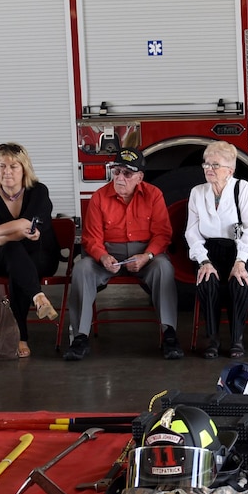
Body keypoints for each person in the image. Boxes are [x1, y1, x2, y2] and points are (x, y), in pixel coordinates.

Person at [64, 147, 181, 362]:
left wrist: (147, 256)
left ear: (139, 177)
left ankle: (169, 335)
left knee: (164, 267)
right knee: (81, 268)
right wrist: (102, 257)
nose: (120, 178)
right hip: (109, 253)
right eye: (116, 171)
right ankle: (80, 337)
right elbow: (91, 237)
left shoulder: (154, 195)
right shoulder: (99, 197)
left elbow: (163, 235)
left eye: (127, 174)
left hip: (144, 254)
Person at [0, 143, 60, 359]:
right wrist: (7, 234)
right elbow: (1, 242)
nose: (7, 171)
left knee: (17, 267)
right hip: (2, 257)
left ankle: (21, 336)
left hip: (41, 256)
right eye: (2, 166)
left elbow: (26, 225)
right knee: (13, 251)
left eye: (13, 166)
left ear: (24, 169)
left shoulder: (39, 191)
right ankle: (38, 297)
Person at [187, 140, 248, 360]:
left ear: (230, 170)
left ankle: (237, 340)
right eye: (206, 164)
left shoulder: (242, 188)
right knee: (207, 280)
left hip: (241, 249)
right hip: (210, 250)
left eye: (215, 165)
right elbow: (191, 232)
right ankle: (212, 339)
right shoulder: (197, 192)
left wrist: (240, 261)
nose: (209, 169)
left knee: (238, 282)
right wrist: (203, 260)